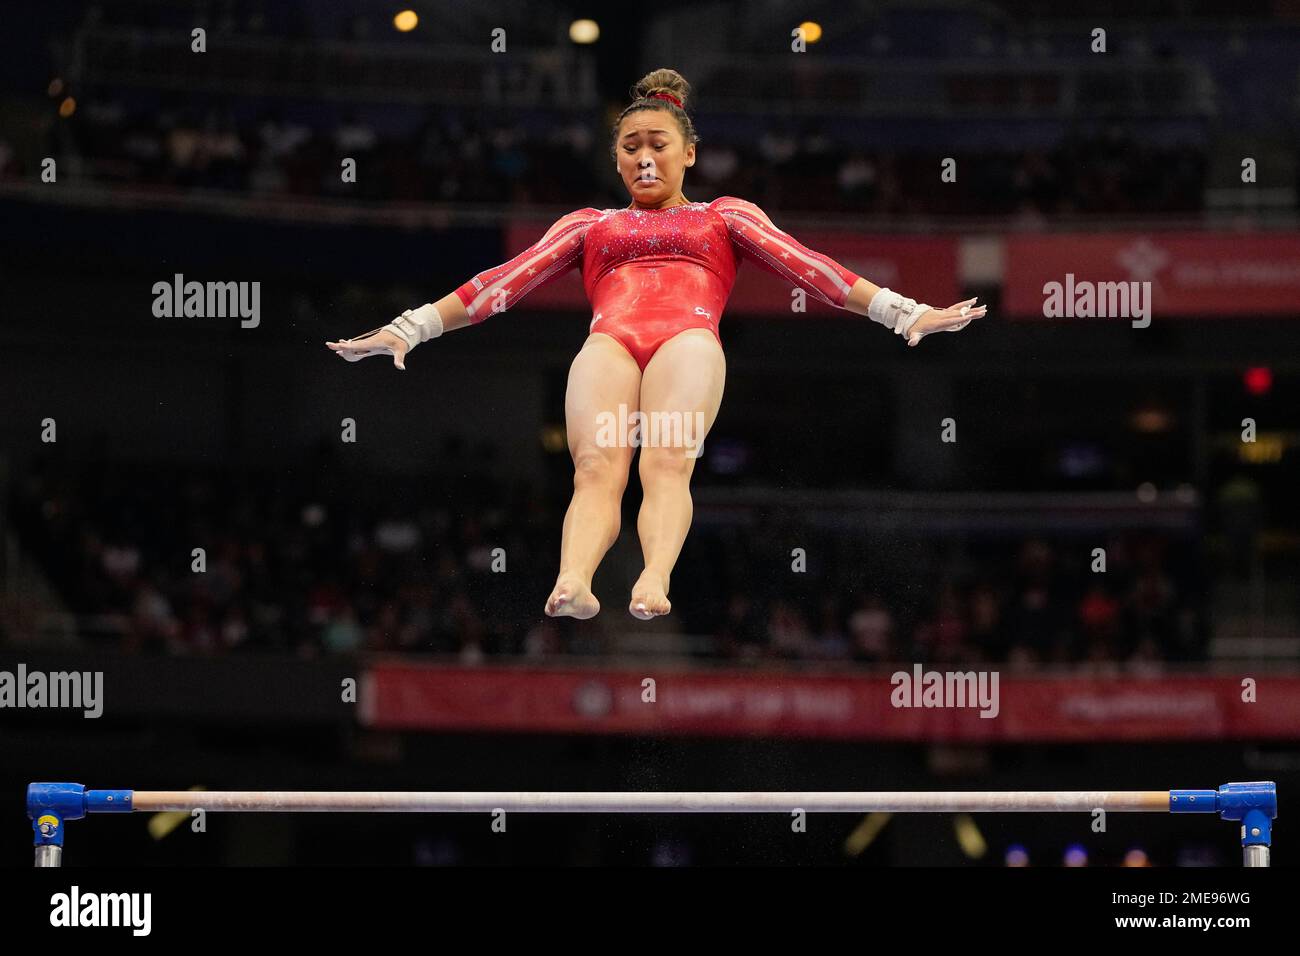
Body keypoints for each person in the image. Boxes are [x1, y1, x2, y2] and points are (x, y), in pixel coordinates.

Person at [327, 68, 984, 621]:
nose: (644, 157)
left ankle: (653, 580)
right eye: (631, 146)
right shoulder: (589, 225)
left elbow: (810, 268)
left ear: (689, 153)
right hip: (610, 340)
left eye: (659, 145)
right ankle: (575, 581)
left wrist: (905, 314)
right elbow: (502, 284)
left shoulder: (725, 216)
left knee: (665, 463)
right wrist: (409, 326)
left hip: (687, 338)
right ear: (615, 160)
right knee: (594, 470)